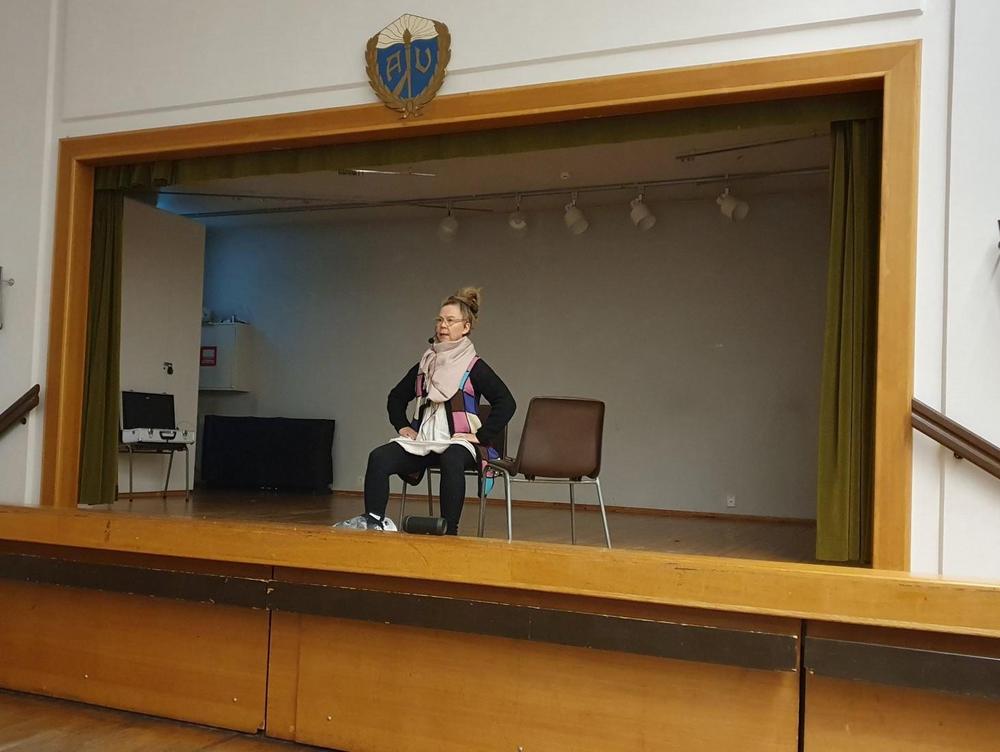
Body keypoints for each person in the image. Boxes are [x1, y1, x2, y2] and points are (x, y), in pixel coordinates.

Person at [336, 287, 515, 535]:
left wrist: (481, 436)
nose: (443, 325)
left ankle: (449, 530)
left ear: (465, 327)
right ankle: (374, 520)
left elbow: (506, 402)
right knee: (379, 457)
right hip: (424, 441)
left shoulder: (474, 366)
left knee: (452, 457)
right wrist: (402, 426)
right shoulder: (426, 364)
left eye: (450, 320)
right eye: (440, 320)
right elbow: (396, 397)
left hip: (458, 443)